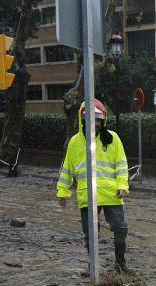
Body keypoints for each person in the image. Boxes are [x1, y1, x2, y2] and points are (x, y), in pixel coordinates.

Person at [57, 99, 130, 273]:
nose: (95, 124)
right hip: (87, 195)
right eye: (91, 120)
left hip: (112, 194)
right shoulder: (75, 142)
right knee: (90, 233)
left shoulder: (112, 138)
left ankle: (120, 264)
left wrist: (123, 186)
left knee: (120, 228)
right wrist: (62, 191)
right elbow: (67, 168)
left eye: (98, 120)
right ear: (83, 120)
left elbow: (121, 165)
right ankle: (94, 266)